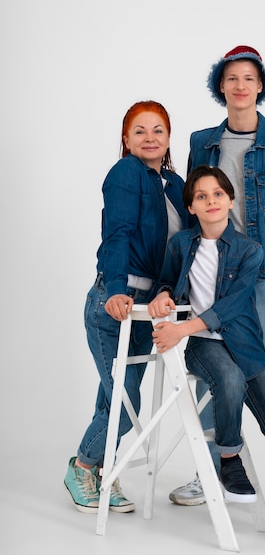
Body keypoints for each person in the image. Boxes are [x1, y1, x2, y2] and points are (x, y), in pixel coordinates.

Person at [169, 45, 265, 536]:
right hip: (214, 275)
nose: (240, 86)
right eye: (231, 78)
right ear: (221, 86)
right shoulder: (202, 142)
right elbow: (189, 204)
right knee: (220, 373)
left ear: (260, 86)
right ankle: (212, 470)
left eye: (249, 78)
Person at [148, 165, 265, 555]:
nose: (210, 201)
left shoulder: (250, 251)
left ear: (230, 201)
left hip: (245, 345)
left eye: (217, 194)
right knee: (227, 380)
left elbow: (231, 307)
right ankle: (229, 458)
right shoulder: (180, 245)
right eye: (201, 196)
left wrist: (180, 328)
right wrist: (163, 295)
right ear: (191, 207)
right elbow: (166, 279)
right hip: (203, 346)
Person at [64, 101, 192, 513]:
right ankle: (83, 467)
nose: (150, 138)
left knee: (113, 397)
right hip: (114, 305)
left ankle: (102, 471)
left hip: (147, 310)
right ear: (126, 139)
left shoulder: (175, 184)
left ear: (169, 138)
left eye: (158, 130)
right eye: (140, 131)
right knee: (126, 401)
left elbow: (184, 247)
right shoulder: (125, 174)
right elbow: (116, 234)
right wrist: (118, 288)